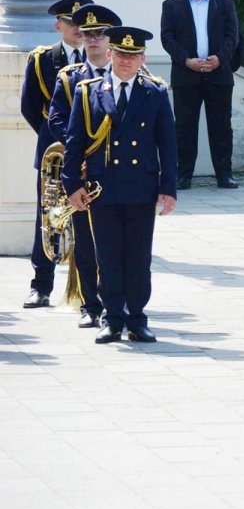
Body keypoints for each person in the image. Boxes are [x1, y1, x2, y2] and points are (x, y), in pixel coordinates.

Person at [63, 26, 178, 344]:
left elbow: (167, 144)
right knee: (108, 256)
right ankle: (112, 319)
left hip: (141, 189)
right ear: (109, 54)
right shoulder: (88, 92)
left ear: (142, 58)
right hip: (103, 189)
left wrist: (168, 188)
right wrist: (72, 184)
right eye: (121, 54)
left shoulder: (154, 92)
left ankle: (137, 318)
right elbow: (75, 143)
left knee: (139, 257)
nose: (126, 61)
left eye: (133, 55)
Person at [45, 3, 122, 329]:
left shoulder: (130, 75)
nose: (93, 40)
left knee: (120, 243)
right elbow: (57, 119)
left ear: (111, 39)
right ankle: (91, 305)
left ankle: (117, 304)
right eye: (88, 34)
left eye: (100, 34)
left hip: (120, 172)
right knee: (88, 245)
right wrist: (79, 146)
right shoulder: (69, 78)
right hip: (87, 173)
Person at [19, 0, 92, 310]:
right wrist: (58, 140)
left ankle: (92, 290)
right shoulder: (42, 59)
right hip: (56, 153)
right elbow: (31, 108)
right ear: (57, 25)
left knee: (91, 222)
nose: (77, 28)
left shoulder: (101, 58)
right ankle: (41, 285)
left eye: (82, 23)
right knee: (49, 218)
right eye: (70, 23)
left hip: (93, 153)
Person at [160, 0, 241, 190]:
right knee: (184, 127)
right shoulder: (171, 6)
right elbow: (167, 38)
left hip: (219, 75)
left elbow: (231, 36)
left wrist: (219, 59)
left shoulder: (224, 4)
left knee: (222, 127)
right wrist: (187, 60)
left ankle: (225, 175)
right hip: (186, 75)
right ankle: (183, 176)